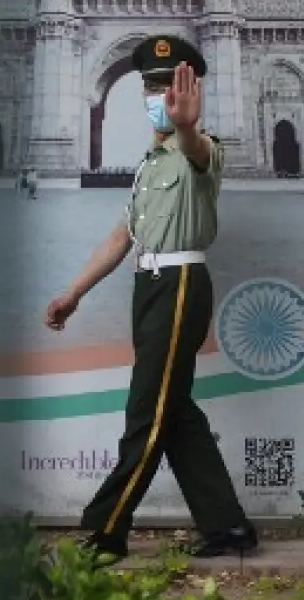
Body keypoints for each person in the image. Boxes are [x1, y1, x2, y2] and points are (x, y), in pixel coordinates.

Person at [44, 34, 258, 563]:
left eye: (169, 86)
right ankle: (228, 525)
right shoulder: (149, 165)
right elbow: (121, 238)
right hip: (150, 287)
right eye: (150, 86)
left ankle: (104, 531)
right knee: (174, 409)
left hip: (182, 286)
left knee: (147, 410)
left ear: (189, 92)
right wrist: (74, 291)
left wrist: (187, 125)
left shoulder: (201, 153)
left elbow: (197, 149)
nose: (158, 95)